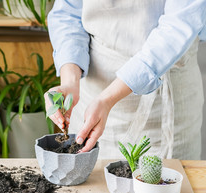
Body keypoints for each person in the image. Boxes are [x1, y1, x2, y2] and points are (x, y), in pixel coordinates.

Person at [45, 0, 206, 160]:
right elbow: (68, 14)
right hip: (93, 95)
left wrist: (107, 99)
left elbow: (178, 27)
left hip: (166, 99)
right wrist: (70, 82)